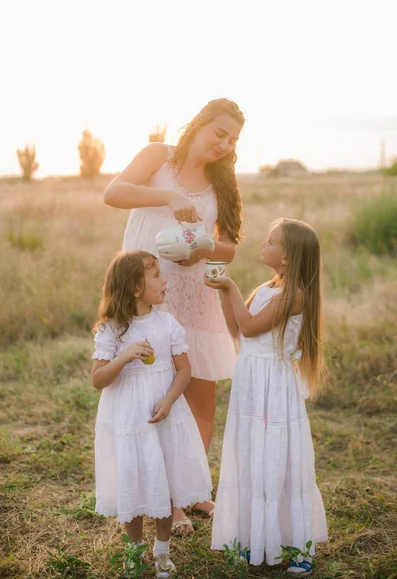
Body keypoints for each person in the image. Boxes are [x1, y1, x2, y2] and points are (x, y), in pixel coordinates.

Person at [103, 98, 245, 532]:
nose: (224, 144)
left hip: (196, 297)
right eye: (219, 132)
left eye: (233, 140)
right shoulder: (157, 156)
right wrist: (167, 195)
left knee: (202, 399)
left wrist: (203, 246)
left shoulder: (223, 182)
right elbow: (113, 194)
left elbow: (230, 248)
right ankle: (167, 500)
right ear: (199, 124)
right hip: (148, 294)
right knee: (158, 397)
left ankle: (193, 491)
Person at [206, 218, 328, 575]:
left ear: (287, 256)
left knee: (277, 458)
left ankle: (296, 545)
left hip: (273, 385)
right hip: (251, 383)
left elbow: (249, 326)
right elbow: (237, 330)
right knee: (252, 454)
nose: (263, 244)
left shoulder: (294, 296)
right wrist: (222, 292)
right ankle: (258, 539)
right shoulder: (267, 288)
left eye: (270, 241)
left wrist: (229, 286)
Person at [91, 251, 212, 578]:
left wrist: (170, 400)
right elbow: (98, 379)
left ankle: (162, 551)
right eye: (156, 276)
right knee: (132, 475)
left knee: (164, 477)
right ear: (134, 288)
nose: (165, 280)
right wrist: (124, 357)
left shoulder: (166, 323)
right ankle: (134, 550)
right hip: (129, 417)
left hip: (163, 413)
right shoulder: (112, 331)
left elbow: (184, 370)